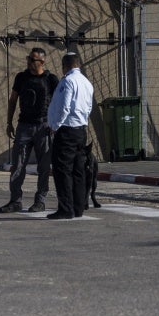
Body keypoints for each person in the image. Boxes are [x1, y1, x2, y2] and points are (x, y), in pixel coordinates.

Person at [0, 47, 59, 213]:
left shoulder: (51, 79)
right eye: (28, 59)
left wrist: (56, 124)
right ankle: (15, 200)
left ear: (42, 61)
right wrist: (9, 122)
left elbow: (60, 103)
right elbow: (13, 100)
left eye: (32, 60)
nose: (29, 62)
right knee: (17, 165)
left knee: (44, 167)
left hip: (44, 126)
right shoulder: (21, 77)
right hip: (24, 126)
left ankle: (40, 201)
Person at [46, 52, 94, 220]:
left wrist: (55, 126)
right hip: (80, 129)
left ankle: (65, 208)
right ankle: (78, 207)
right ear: (78, 64)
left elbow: (64, 107)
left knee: (62, 170)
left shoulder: (67, 81)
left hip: (66, 130)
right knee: (78, 170)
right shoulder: (86, 83)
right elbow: (88, 108)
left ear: (64, 66)